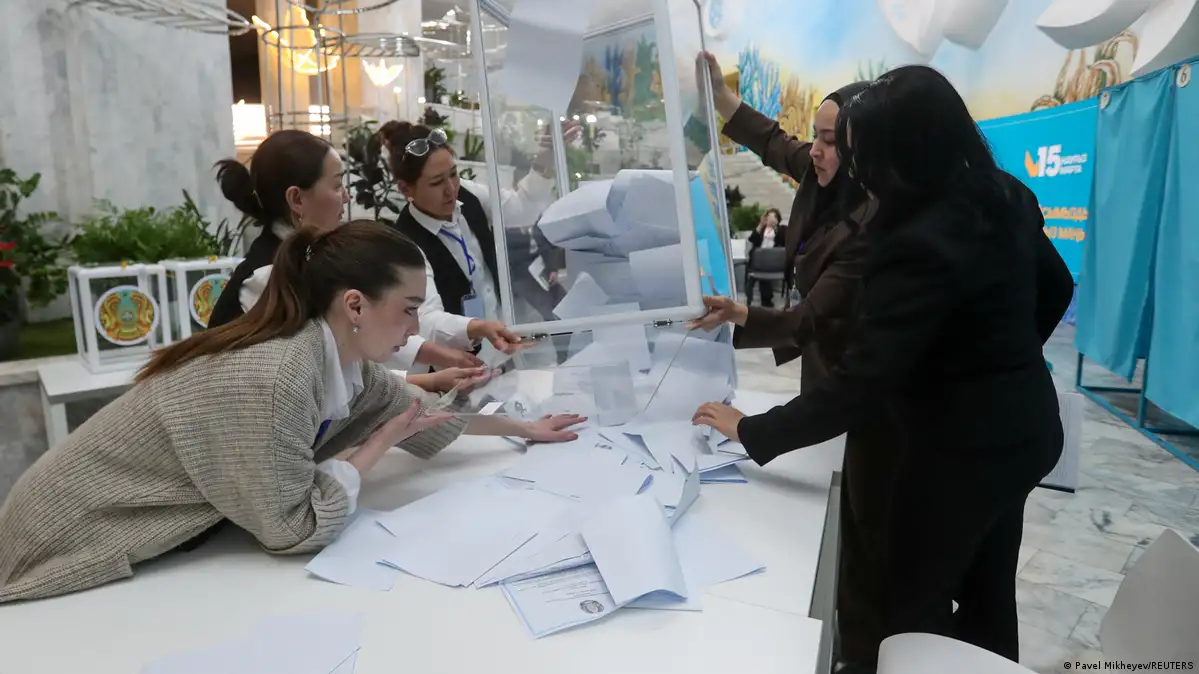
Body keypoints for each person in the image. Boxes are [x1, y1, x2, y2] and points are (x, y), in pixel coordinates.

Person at [693, 65, 1074, 666]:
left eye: (856, 152)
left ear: (898, 153)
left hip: (961, 452)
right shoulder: (1001, 193)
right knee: (990, 589)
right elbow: (1057, 286)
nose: (849, 166)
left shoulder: (913, 240)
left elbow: (861, 382)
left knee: (910, 602)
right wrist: (1004, 362)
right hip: (1027, 431)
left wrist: (752, 430)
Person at [0, 221, 585, 604]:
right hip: (67, 537)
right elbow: (293, 528)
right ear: (355, 305)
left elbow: (419, 416)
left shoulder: (338, 360)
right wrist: (377, 445)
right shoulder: (280, 375)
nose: (415, 330)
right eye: (409, 309)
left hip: (127, 531)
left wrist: (523, 428)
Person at [690, 52, 898, 673]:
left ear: (861, 151)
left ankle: (859, 650)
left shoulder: (872, 225)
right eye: (818, 135)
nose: (816, 151)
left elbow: (811, 319)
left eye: (830, 142)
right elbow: (776, 144)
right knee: (825, 498)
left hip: (858, 383)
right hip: (825, 367)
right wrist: (723, 100)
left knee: (859, 516)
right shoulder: (821, 170)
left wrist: (740, 318)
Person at [207, 129, 484, 383]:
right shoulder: (267, 277)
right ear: (297, 199)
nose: (347, 198)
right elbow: (328, 379)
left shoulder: (311, 256)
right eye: (337, 185)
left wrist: (439, 359)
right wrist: (430, 380)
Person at [378, 120, 580, 371]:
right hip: (459, 368)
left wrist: (544, 160)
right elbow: (427, 319)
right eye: (436, 182)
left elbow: (521, 210)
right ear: (405, 188)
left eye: (453, 174)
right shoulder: (405, 244)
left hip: (504, 353)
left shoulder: (468, 195)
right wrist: (476, 327)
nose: (451, 189)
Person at [746, 207, 787, 307]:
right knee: (760, 265)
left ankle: (766, 300)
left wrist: (775, 227)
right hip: (759, 261)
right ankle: (764, 299)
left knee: (766, 264)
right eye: (769, 217)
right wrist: (761, 225)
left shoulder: (782, 230)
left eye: (774, 217)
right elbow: (752, 239)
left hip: (774, 261)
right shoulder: (761, 230)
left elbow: (785, 242)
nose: (771, 219)